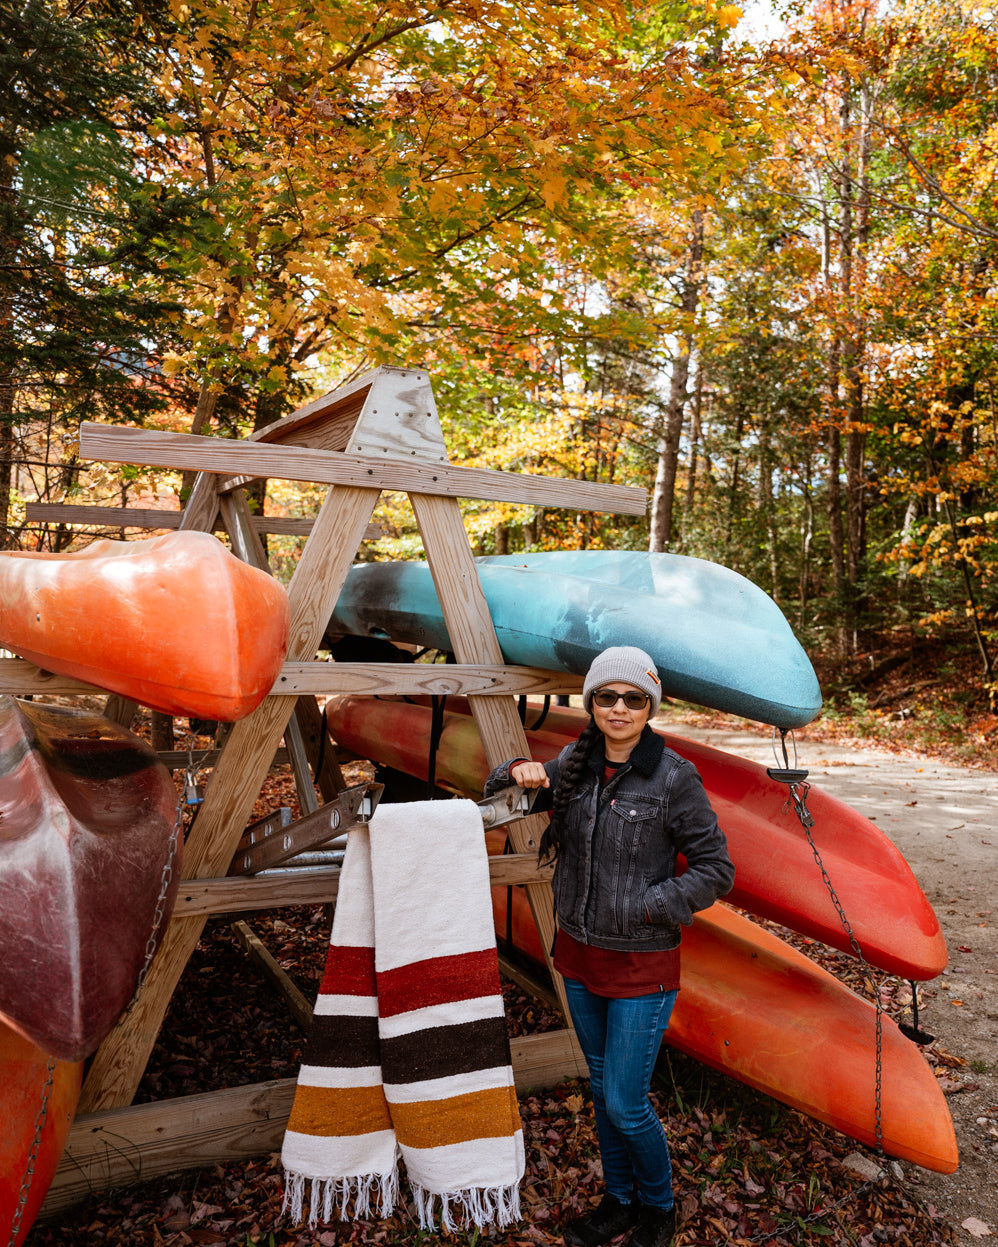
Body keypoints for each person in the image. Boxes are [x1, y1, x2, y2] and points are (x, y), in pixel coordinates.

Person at [485, 646, 735, 1247]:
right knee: (601, 1091)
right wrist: (517, 766)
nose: (618, 708)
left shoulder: (673, 777)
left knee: (624, 1102)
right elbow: (504, 789)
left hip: (642, 963)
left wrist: (648, 905)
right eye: (606, 696)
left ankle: (658, 1208)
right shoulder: (576, 761)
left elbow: (715, 869)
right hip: (576, 953)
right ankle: (618, 1200)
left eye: (633, 698)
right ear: (591, 703)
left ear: (649, 706)